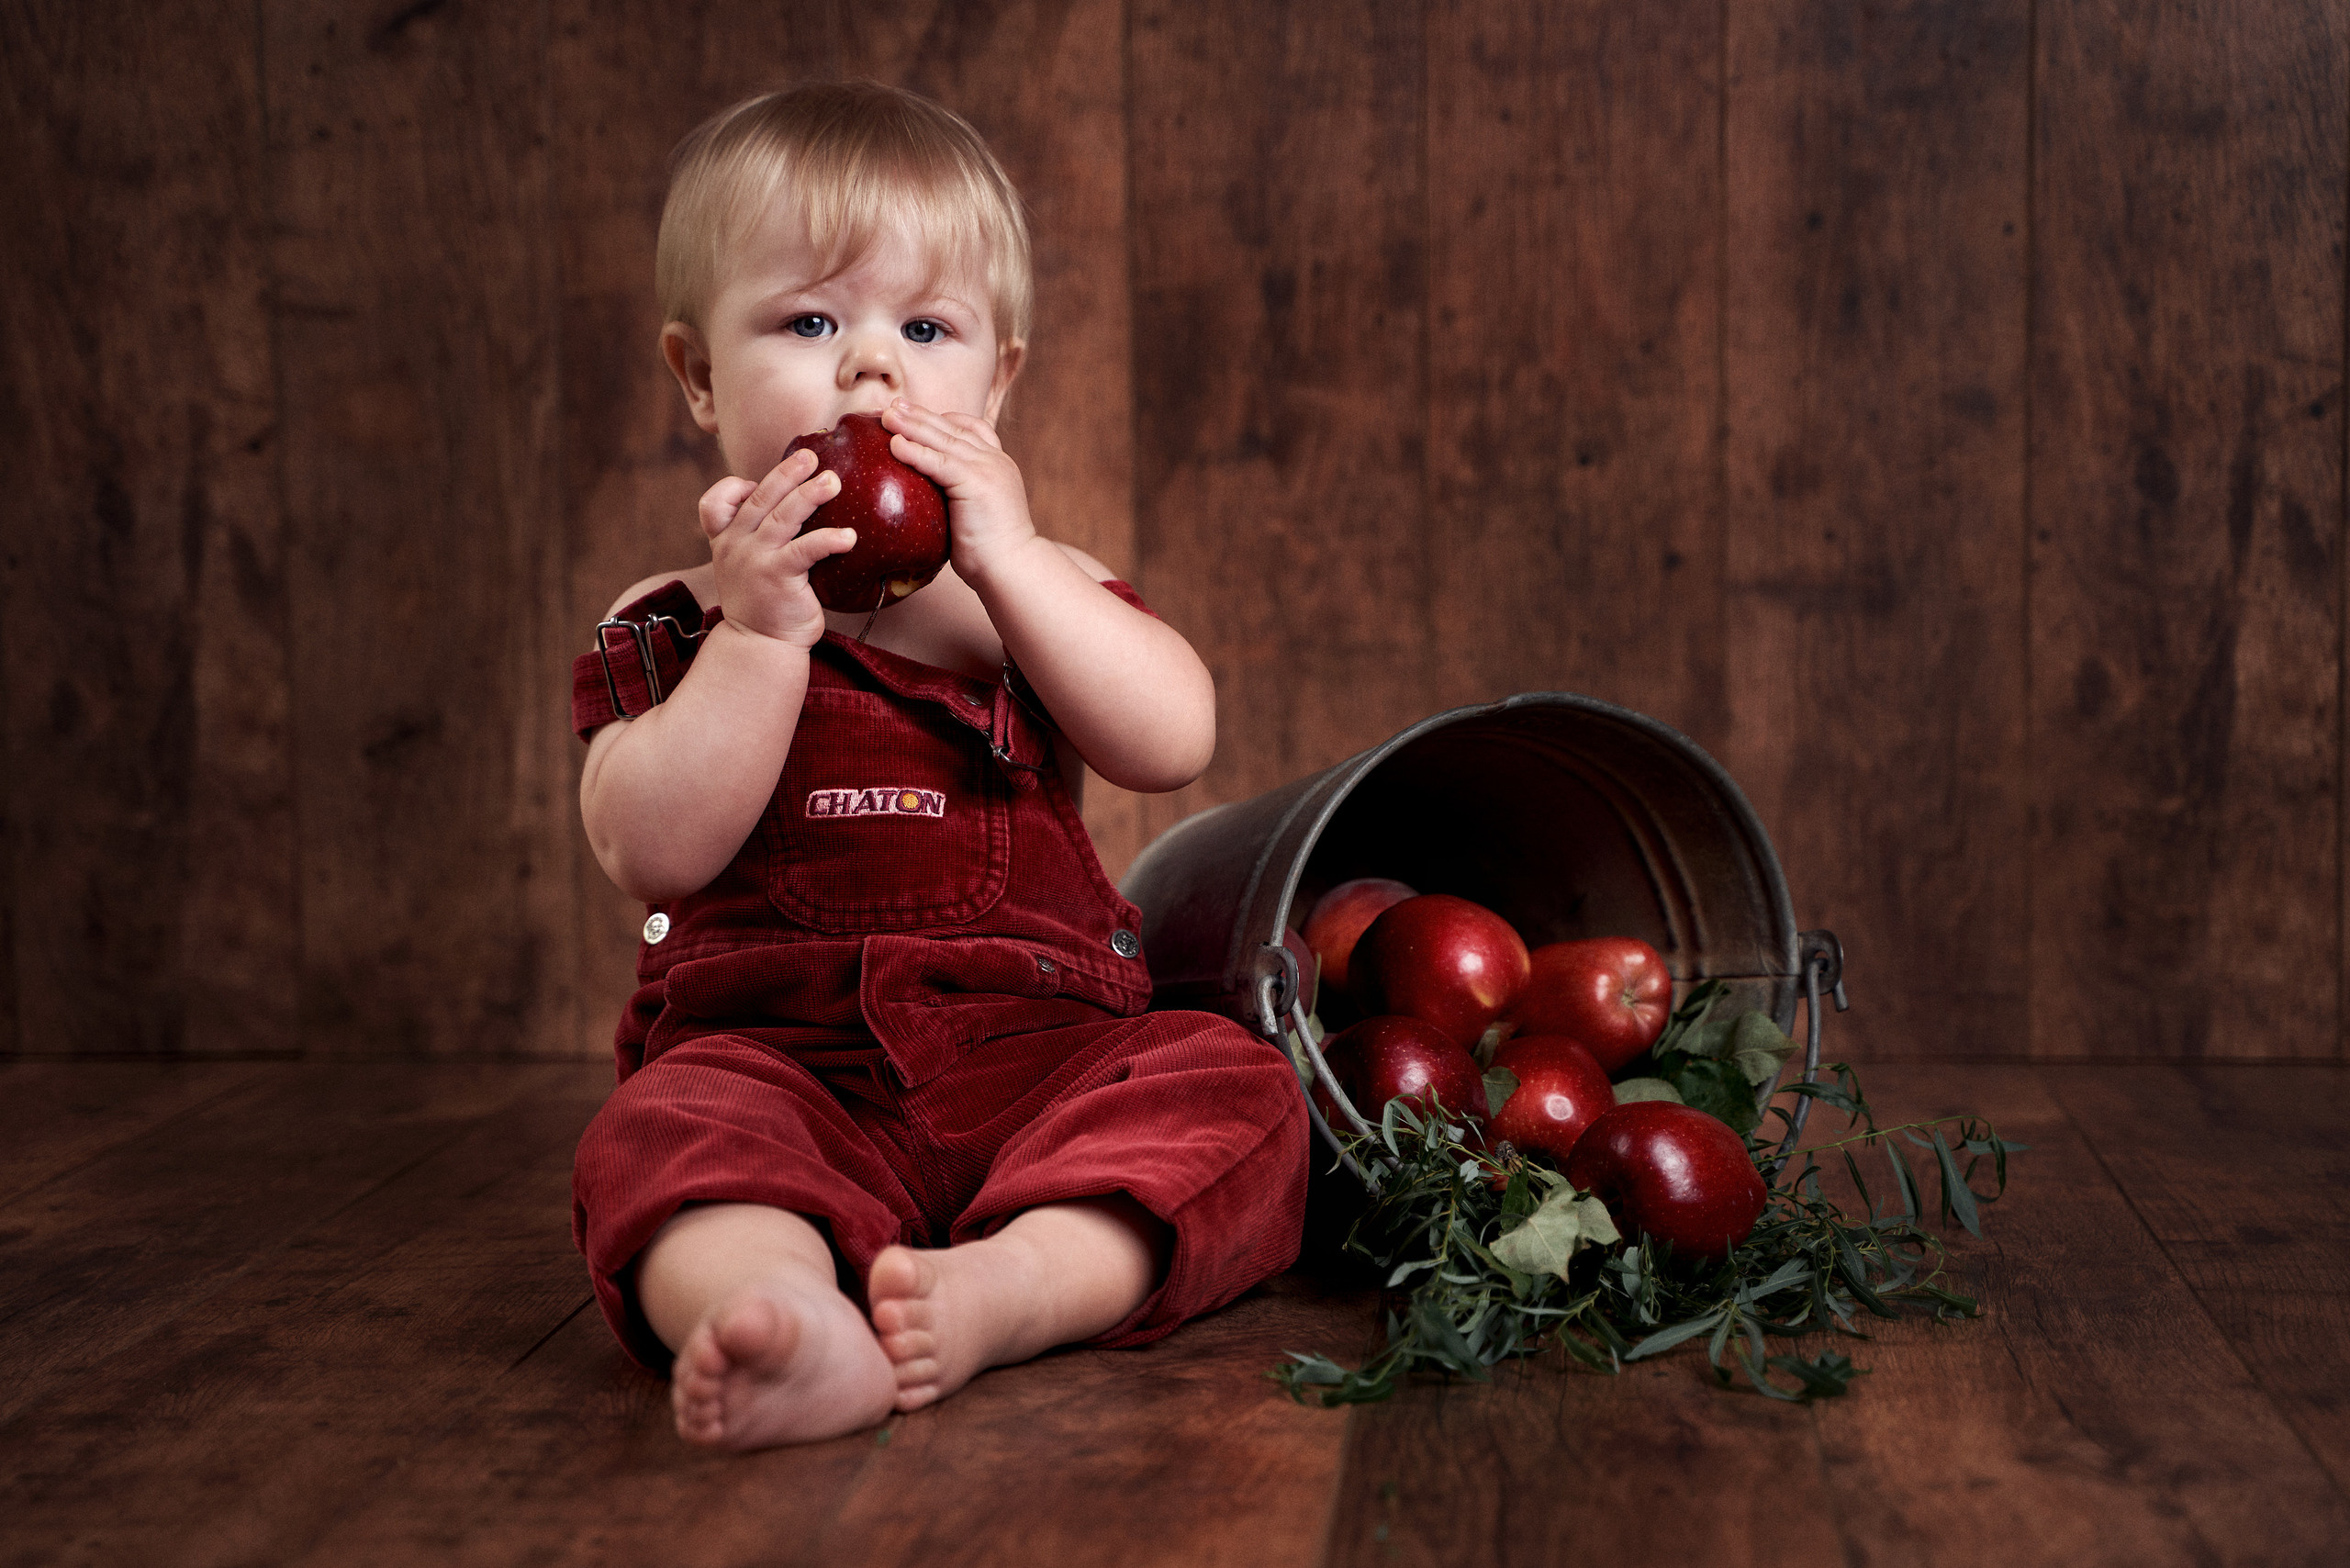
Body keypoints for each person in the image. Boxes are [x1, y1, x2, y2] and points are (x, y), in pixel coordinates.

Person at [567, 80, 1309, 1450]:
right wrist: (761, 637)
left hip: (1041, 1059)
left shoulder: (1036, 594)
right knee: (663, 1137)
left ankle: (1011, 1288)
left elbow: (1171, 739)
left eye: (925, 329)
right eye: (808, 323)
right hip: (777, 1066)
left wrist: (1018, 565)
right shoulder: (672, 620)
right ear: (698, 376)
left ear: (998, 382)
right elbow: (649, 851)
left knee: (1233, 1088)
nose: (872, 372)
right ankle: (784, 1312)